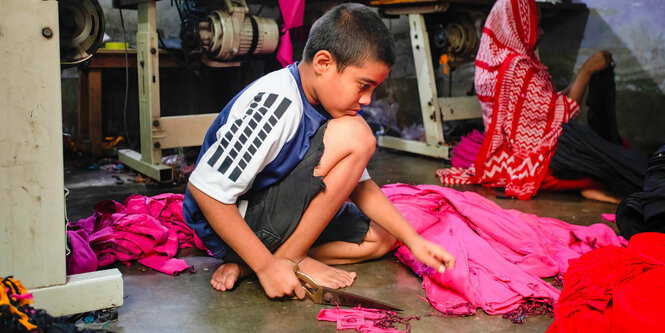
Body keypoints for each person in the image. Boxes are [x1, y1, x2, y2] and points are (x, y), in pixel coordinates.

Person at [183, 3, 455, 300]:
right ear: (323, 63)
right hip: (233, 223)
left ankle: (272, 261)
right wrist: (265, 267)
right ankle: (279, 260)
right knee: (358, 135)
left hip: (274, 218)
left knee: (384, 238)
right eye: (363, 86)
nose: (367, 100)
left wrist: (414, 241)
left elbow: (360, 188)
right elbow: (206, 191)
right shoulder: (278, 101)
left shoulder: (328, 103)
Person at [438, 0, 619, 202]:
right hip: (517, 163)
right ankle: (589, 186)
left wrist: (586, 72)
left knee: (601, 155)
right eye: (536, 24)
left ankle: (588, 185)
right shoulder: (515, 67)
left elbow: (552, 104)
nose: (540, 32)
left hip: (510, 150)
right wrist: (587, 71)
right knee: (598, 165)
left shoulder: (500, 59)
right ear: (516, 24)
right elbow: (561, 117)